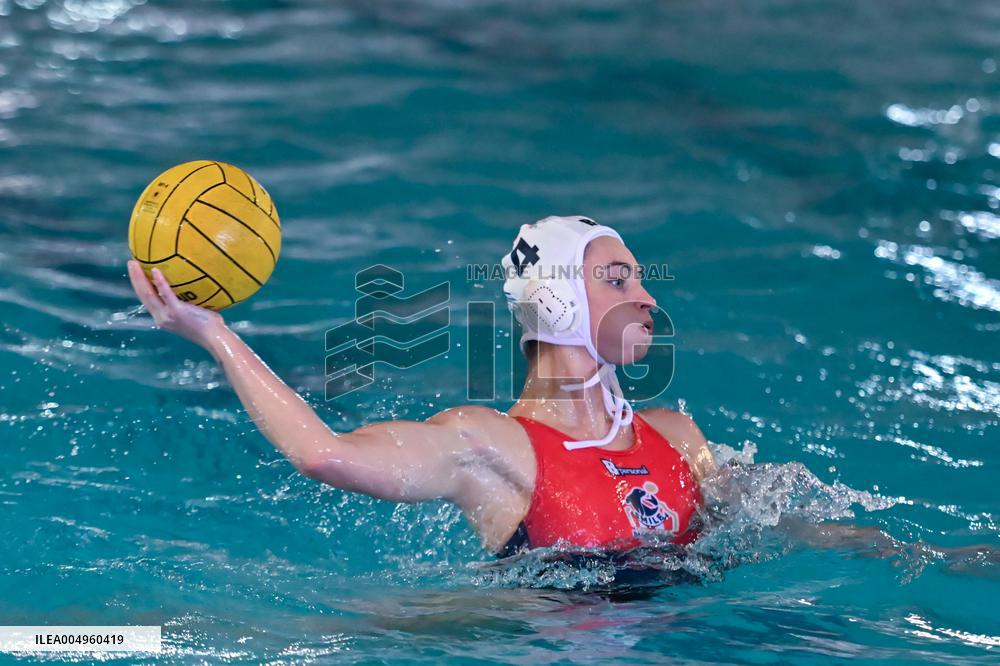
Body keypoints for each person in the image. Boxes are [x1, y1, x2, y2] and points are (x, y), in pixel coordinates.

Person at [126, 215, 718, 558]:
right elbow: (325, 454)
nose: (647, 298)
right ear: (557, 300)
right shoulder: (491, 448)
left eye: (640, 279)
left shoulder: (679, 438)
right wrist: (215, 335)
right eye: (618, 280)